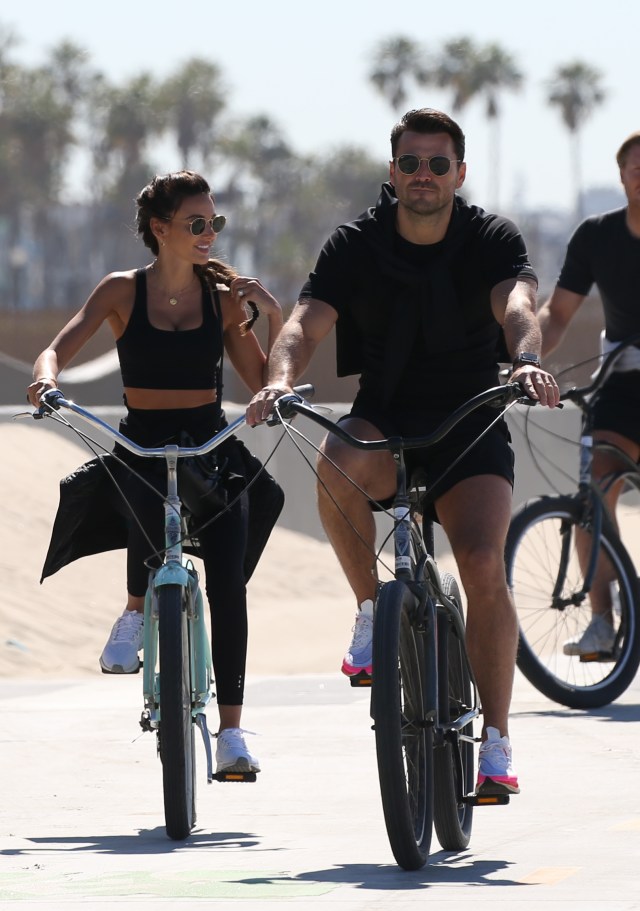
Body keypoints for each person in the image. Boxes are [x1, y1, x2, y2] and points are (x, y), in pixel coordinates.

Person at [247, 107, 560, 795]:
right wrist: (279, 379)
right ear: (393, 172)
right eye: (411, 164)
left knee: (481, 563)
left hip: (471, 417)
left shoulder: (489, 238)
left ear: (460, 173)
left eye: (438, 164)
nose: (424, 176)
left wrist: (526, 360)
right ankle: (370, 611)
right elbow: (306, 322)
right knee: (337, 464)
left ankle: (498, 742)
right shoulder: (356, 243)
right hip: (384, 415)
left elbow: (518, 304)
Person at [27, 170, 284, 774]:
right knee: (138, 475)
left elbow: (265, 379)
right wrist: (46, 379)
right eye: (196, 224)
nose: (208, 234)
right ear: (160, 229)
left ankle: (231, 733)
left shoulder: (224, 301)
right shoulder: (121, 290)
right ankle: (135, 609)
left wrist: (270, 316)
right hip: (142, 440)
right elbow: (58, 347)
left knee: (227, 584)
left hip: (209, 443)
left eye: (214, 223)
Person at [538, 132, 640, 659]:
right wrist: (524, 355)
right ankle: (603, 620)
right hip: (621, 383)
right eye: (636, 169)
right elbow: (557, 314)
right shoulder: (596, 236)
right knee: (591, 495)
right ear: (622, 176)